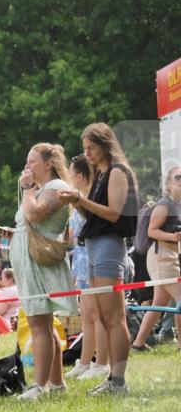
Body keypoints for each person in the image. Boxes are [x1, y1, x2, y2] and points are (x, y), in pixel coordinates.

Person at [57, 123, 140, 395]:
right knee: (104, 317)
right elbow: (92, 215)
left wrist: (81, 198)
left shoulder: (117, 172)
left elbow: (114, 214)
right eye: (85, 149)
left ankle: (118, 381)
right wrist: (76, 201)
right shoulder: (101, 174)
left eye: (91, 148)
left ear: (105, 144)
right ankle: (113, 378)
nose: (87, 154)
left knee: (114, 317)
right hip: (94, 247)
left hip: (108, 247)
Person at [8, 144, 77, 400]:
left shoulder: (57, 187)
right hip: (29, 260)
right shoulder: (38, 189)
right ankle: (56, 383)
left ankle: (39, 386)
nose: (27, 166)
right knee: (44, 325)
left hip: (39, 261)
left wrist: (26, 189)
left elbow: (35, 215)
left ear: (49, 163)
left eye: (33, 161)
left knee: (38, 323)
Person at [65, 155, 111, 379]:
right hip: (81, 260)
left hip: (90, 257)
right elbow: (69, 237)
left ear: (80, 176)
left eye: (71, 172)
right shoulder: (78, 201)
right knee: (87, 315)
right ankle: (84, 361)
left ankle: (101, 362)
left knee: (97, 314)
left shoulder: (90, 200)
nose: (68, 176)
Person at [130, 163, 181, 351]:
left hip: (170, 255)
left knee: (159, 302)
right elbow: (152, 231)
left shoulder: (178, 205)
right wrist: (173, 237)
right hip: (161, 256)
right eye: (178, 178)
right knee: (180, 298)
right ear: (169, 183)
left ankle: (138, 343)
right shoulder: (165, 204)